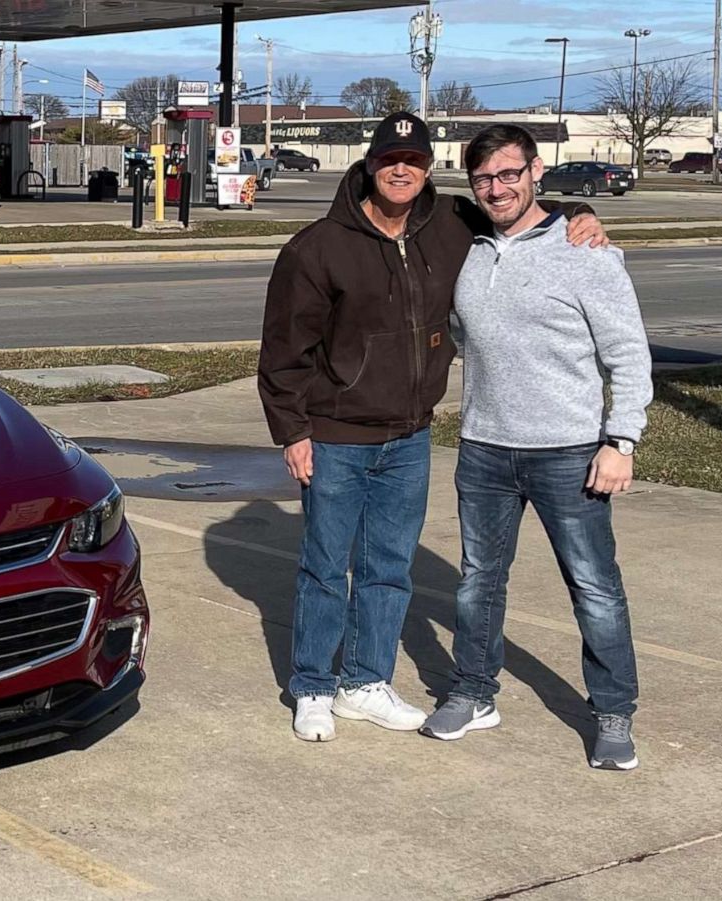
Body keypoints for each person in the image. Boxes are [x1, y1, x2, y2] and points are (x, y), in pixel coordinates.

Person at [257, 112, 607, 743]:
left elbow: (518, 207)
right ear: (369, 165)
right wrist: (292, 431)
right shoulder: (316, 248)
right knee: (325, 565)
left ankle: (365, 682)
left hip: (411, 435)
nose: (401, 170)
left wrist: (579, 210)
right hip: (336, 435)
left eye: (414, 161)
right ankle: (312, 685)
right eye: (390, 159)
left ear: (427, 169)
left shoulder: (449, 226)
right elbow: (285, 350)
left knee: (390, 566)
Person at [419, 125, 650, 771]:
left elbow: (629, 355)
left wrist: (620, 440)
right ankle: (472, 691)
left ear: (536, 171)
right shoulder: (469, 248)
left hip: (569, 452)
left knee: (595, 588)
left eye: (509, 173)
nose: (497, 187)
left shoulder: (586, 254)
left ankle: (613, 711)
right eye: (484, 177)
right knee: (478, 584)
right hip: (485, 449)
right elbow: (465, 333)